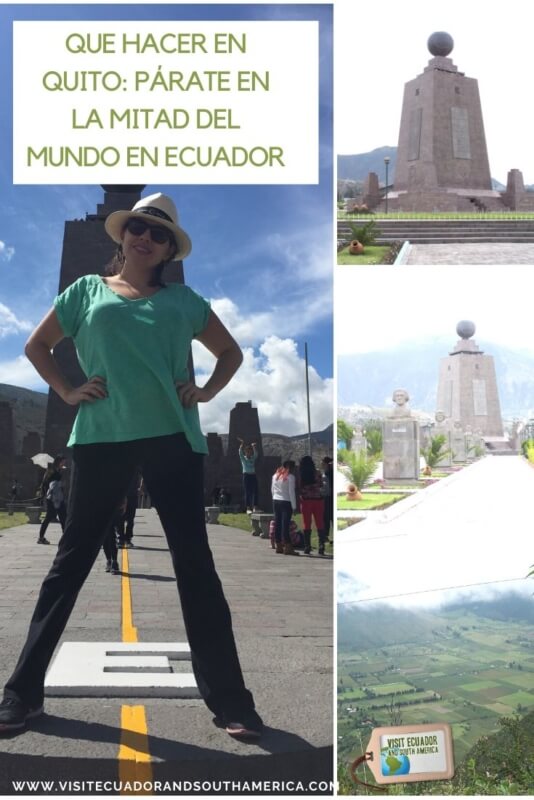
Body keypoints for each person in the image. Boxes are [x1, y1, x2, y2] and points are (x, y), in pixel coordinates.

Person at [0, 192, 262, 739]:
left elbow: (230, 352)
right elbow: (36, 345)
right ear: (123, 234)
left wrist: (208, 389)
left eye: (159, 233)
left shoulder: (185, 301)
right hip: (101, 437)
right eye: (138, 227)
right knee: (68, 566)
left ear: (169, 247)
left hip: (173, 439)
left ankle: (233, 702)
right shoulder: (86, 292)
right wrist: (69, 391)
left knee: (196, 570)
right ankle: (21, 694)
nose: (146, 238)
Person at [298, 455, 326, 556]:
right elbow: (321, 485)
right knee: (320, 522)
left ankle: (307, 546)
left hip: (306, 501)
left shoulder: (301, 474)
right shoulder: (317, 472)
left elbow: (299, 487)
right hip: (318, 500)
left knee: (306, 523)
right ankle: (321, 546)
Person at [37, 455, 67, 545]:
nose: (64, 464)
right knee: (49, 517)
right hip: (51, 498)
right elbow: (45, 483)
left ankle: (66, 538)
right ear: (58, 461)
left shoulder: (57, 470)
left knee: (63, 516)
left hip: (59, 497)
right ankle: (41, 537)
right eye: (63, 462)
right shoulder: (51, 470)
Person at [271, 460, 299, 556]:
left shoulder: (275, 475)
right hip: (286, 502)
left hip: (276, 501)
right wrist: (294, 507)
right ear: (291, 468)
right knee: (285, 524)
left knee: (278, 523)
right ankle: (287, 546)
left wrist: (274, 498)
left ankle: (278, 545)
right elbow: (291, 492)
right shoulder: (290, 477)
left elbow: (272, 490)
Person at [237, 438, 259, 513]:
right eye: (247, 452)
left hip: (253, 475)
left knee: (255, 491)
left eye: (250, 452)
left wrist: (253, 446)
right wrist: (241, 445)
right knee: (248, 492)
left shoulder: (253, 458)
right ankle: (248, 508)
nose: (249, 453)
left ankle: (255, 507)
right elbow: (240, 453)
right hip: (246, 476)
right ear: (245, 452)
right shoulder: (244, 459)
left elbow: (256, 454)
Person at [321, 456, 334, 543]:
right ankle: (326, 535)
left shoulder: (328, 473)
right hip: (328, 497)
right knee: (327, 517)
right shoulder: (327, 472)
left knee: (327, 517)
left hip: (329, 497)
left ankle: (326, 535)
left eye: (322, 462)